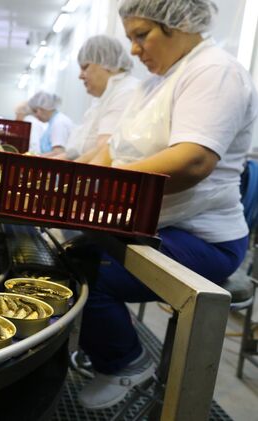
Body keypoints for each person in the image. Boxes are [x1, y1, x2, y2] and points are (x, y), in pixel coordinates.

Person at [76, 0, 258, 410]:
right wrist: (79, 186)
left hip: (202, 238)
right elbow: (113, 148)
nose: (135, 51)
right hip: (153, 224)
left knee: (85, 273)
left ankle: (126, 361)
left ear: (181, 23)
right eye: (131, 39)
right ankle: (109, 349)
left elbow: (193, 160)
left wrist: (107, 191)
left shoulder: (214, 72)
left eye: (143, 36)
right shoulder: (153, 84)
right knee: (66, 252)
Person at [48, 35, 140, 160]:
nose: (80, 76)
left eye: (85, 67)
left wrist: (66, 165)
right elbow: (83, 148)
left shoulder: (126, 91)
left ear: (107, 62)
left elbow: (104, 149)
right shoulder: (103, 98)